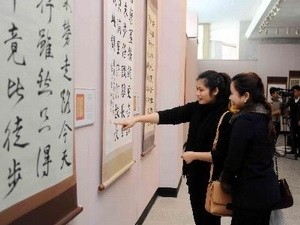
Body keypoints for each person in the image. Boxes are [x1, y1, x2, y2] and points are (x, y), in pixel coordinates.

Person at [116, 70, 232, 225]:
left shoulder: (226, 115)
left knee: (209, 219)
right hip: (194, 175)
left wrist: (193, 155)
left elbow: (222, 155)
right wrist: (137, 119)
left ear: (215, 91)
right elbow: (169, 115)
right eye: (196, 89)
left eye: (201, 90)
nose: (197, 93)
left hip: (211, 177)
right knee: (199, 217)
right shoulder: (196, 108)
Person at [220, 72, 281, 225]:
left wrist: (224, 182)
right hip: (267, 191)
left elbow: (233, 159)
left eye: (232, 93)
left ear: (246, 95)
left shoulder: (244, 121)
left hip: (249, 195)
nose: (230, 97)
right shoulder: (264, 115)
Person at [287, 85, 300, 156]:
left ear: (299, 92)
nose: (293, 93)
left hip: (299, 121)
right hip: (292, 120)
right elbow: (285, 106)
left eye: (294, 92)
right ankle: (293, 150)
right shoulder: (291, 99)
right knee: (293, 135)